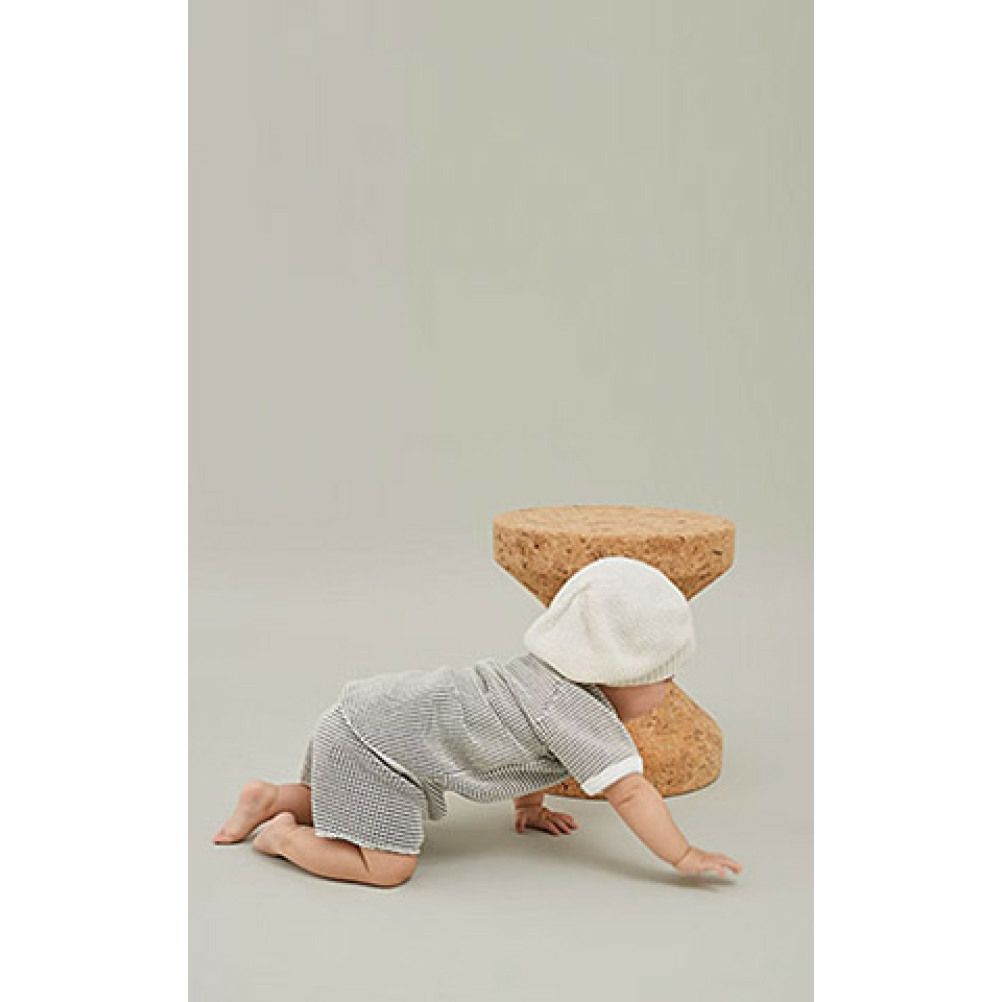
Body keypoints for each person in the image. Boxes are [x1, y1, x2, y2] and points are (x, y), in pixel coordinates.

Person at [214, 556, 742, 887]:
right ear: (618, 669)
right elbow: (631, 793)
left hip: (366, 720)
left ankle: (271, 797)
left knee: (346, 801)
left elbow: (523, 745)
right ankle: (283, 838)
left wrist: (530, 807)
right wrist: (682, 854)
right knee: (388, 868)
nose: (669, 689)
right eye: (663, 676)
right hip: (377, 746)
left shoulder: (540, 675)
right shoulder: (581, 713)